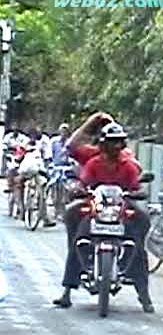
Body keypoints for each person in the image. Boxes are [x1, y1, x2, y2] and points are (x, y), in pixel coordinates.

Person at [53, 114, 154, 313]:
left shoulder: (128, 163)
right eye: (111, 142)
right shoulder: (93, 161)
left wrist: (136, 192)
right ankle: (67, 291)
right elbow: (82, 179)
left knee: (139, 236)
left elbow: (135, 184)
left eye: (119, 142)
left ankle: (144, 295)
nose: (116, 147)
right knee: (78, 236)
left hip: (120, 210)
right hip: (96, 208)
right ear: (102, 142)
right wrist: (78, 189)